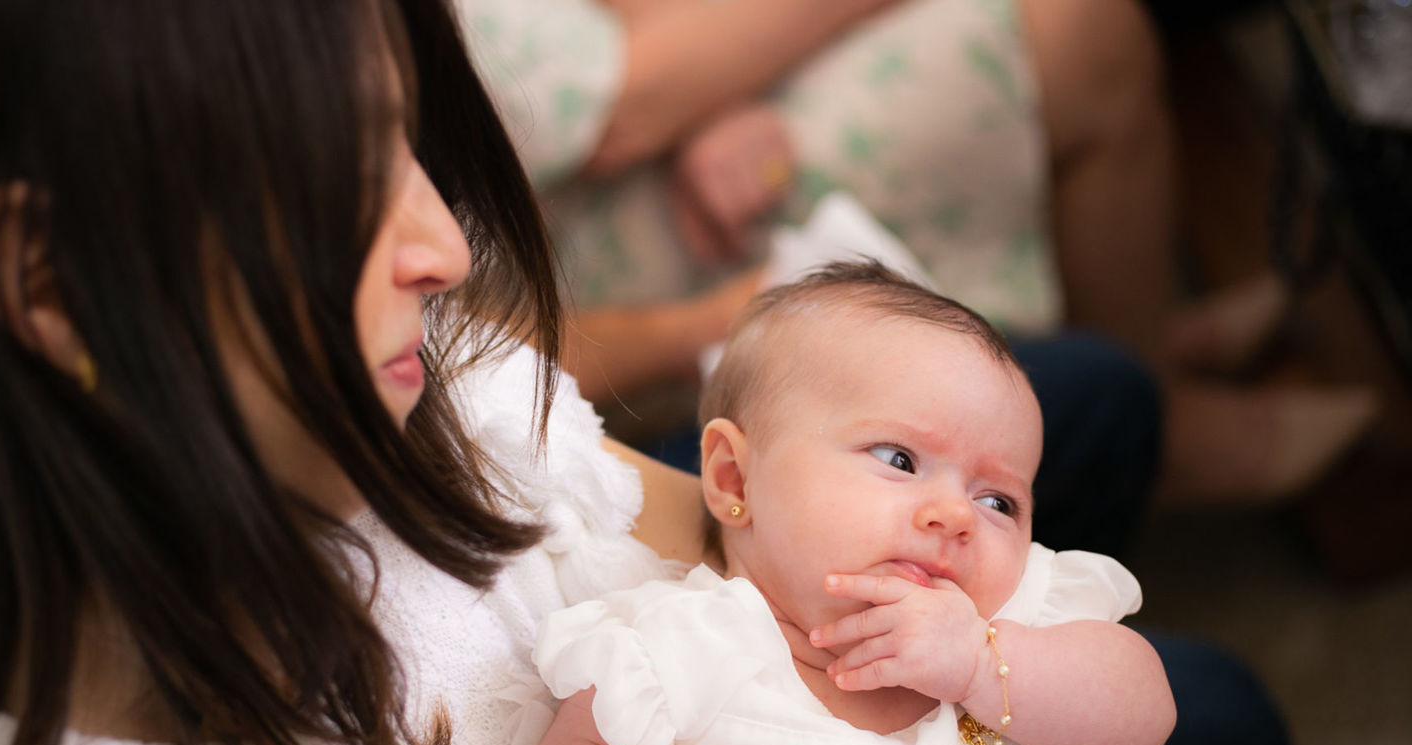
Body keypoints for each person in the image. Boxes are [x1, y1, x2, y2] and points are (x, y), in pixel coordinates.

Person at [0, 1, 1126, 745]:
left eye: (410, 148)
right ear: (47, 279)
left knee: (1106, 427)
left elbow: (958, 607)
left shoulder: (416, 404)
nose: (442, 242)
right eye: (343, 178)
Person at [509, 263, 1211, 745]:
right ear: (736, 479)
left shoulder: (1000, 625)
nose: (954, 517)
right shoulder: (688, 642)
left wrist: (984, 664)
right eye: (900, 460)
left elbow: (1142, 715)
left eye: (999, 502)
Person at [456, 0, 1377, 505]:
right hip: (572, 215)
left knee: (1083, 28)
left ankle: (1140, 363)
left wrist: (712, 96)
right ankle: (1147, 419)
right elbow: (604, 107)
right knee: (1079, 34)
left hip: (605, 100)